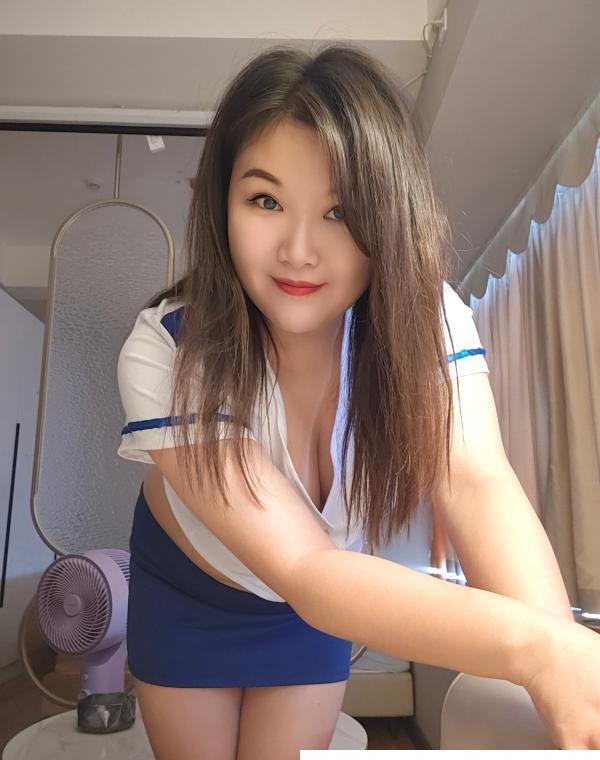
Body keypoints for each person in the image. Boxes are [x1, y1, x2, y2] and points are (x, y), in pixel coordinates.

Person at [116, 43, 600, 758]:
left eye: (341, 211)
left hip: (322, 599)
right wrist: (535, 650)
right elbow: (303, 568)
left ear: (388, 217)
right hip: (191, 590)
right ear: (221, 204)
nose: (299, 250)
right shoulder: (168, 349)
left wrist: (567, 663)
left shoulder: (425, 320)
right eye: (266, 200)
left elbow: (476, 481)